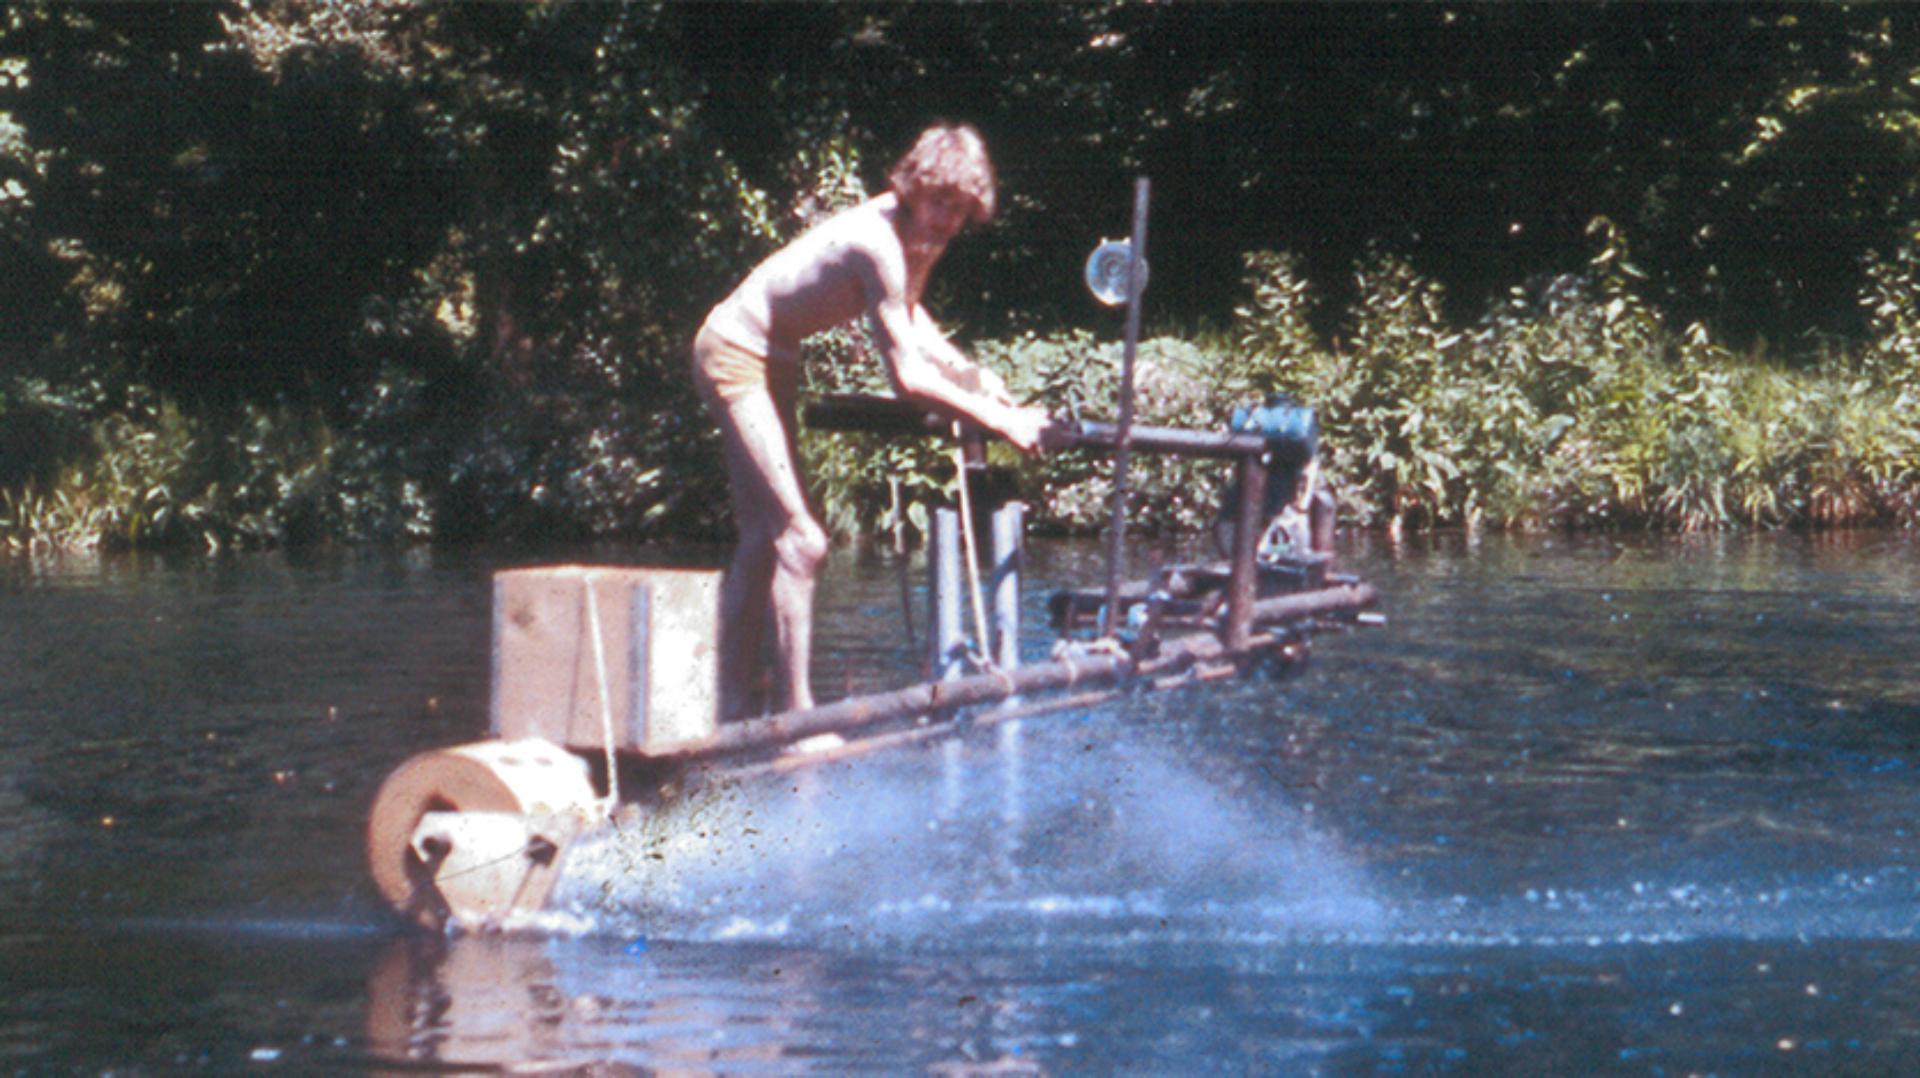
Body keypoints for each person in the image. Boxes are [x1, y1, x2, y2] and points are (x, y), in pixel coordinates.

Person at [692, 122, 1052, 719]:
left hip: (774, 355)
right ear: (913, 187)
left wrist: (969, 374)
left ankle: (724, 707)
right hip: (733, 350)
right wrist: (1000, 419)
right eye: (939, 203)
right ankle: (797, 719)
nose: (945, 221)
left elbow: (907, 312)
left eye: (959, 211)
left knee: (762, 539)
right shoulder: (876, 241)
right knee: (801, 540)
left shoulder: (922, 241)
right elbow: (906, 379)